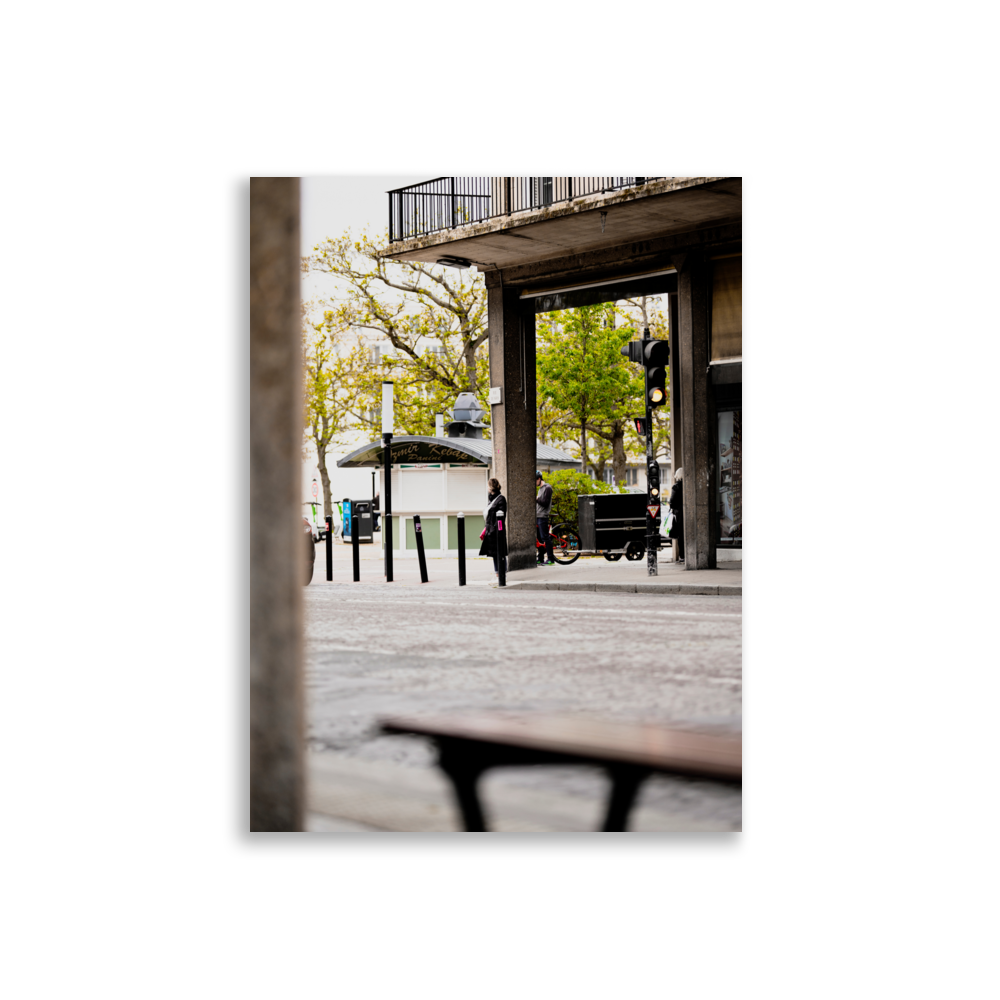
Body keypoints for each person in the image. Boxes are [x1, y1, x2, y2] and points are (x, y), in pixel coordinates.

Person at [479, 477, 508, 577]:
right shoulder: (491, 499)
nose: (487, 488)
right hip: (490, 531)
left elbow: (501, 517)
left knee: (500, 552)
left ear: (491, 487)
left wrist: (496, 529)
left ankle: (502, 573)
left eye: (488, 486)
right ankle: (497, 572)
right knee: (494, 553)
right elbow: (489, 517)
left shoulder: (501, 499)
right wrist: (486, 529)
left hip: (497, 531)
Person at [535, 471, 555, 565]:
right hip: (537, 515)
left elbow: (545, 503)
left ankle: (551, 559)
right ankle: (541, 558)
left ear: (539, 479)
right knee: (539, 539)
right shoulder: (540, 489)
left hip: (543, 516)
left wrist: (537, 499)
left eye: (535, 481)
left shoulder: (547, 488)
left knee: (545, 537)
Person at [668, 468, 684, 563]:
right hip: (689, 514)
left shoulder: (676, 487)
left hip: (679, 515)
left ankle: (682, 556)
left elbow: (672, 503)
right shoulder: (689, 486)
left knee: (681, 536)